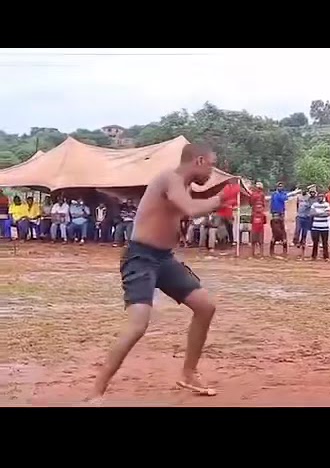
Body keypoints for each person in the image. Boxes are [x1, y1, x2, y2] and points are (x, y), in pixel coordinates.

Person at [87, 143, 240, 403]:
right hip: (140, 258)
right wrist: (221, 198)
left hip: (164, 259)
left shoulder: (183, 186)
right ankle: (95, 392)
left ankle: (188, 373)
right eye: (211, 165)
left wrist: (216, 204)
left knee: (205, 306)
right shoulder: (169, 179)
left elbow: (186, 207)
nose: (211, 172)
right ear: (199, 160)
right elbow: (190, 208)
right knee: (138, 326)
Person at [310, 193, 330, 261]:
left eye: (322, 196)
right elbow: (312, 213)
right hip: (315, 226)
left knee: (325, 242)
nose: (320, 198)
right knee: (315, 242)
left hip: (324, 226)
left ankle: (326, 256)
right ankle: (314, 256)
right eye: (319, 196)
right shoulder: (314, 204)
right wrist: (322, 213)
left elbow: (327, 214)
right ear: (317, 197)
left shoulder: (327, 204)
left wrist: (317, 213)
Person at [250, 182, 267, 258]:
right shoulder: (255, 195)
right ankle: (257, 253)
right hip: (256, 223)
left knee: (258, 239)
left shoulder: (256, 194)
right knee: (256, 239)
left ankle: (257, 253)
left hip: (257, 223)